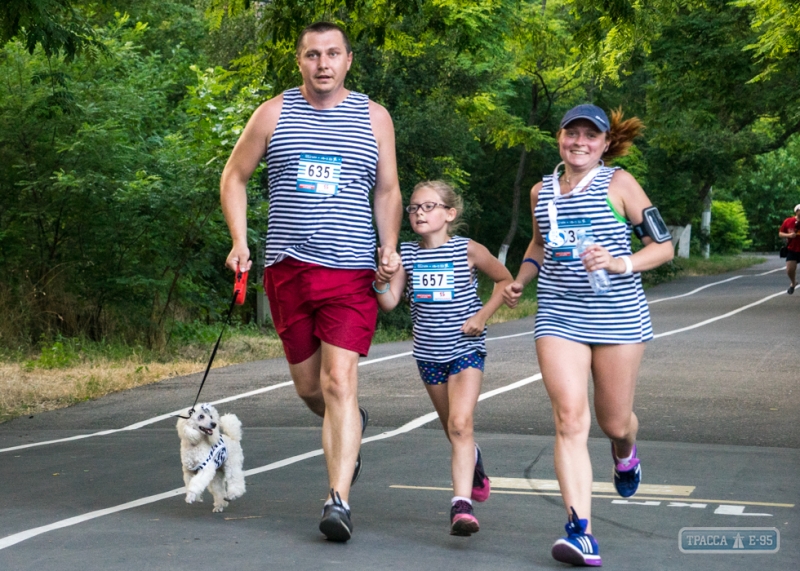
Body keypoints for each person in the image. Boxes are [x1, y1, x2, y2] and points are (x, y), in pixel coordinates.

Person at [219, 21, 402, 542]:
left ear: (348, 60)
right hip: (287, 270)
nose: (323, 64)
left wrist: (387, 245)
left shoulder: (374, 117)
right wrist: (239, 240)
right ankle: (350, 425)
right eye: (312, 55)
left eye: (332, 54)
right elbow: (234, 176)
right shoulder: (274, 113)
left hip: (350, 271)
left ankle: (337, 499)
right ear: (299, 61)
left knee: (338, 381)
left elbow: (387, 191)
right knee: (310, 388)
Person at [503, 104, 674, 566]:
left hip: (618, 316)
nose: (579, 142)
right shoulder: (543, 191)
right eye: (571, 134)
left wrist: (621, 263)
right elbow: (538, 244)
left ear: (604, 143)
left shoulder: (619, 184)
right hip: (559, 316)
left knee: (613, 422)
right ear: (559, 138)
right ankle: (581, 532)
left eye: (590, 136)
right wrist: (522, 278)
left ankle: (626, 450)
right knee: (569, 420)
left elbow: (663, 246)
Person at [374, 180, 513, 536]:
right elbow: (389, 302)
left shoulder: (468, 249)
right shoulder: (407, 253)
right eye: (414, 208)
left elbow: (504, 280)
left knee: (460, 424)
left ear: (449, 214)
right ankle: (475, 462)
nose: (419, 213)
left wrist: (481, 317)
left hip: (465, 350)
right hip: (428, 355)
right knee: (453, 428)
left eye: (429, 206)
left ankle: (461, 507)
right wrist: (380, 281)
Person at [778, 205, 800, 294]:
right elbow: (780, 233)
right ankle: (793, 283)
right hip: (792, 249)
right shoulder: (788, 221)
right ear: (797, 211)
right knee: (790, 269)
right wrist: (789, 235)